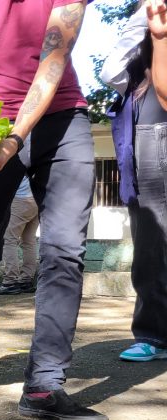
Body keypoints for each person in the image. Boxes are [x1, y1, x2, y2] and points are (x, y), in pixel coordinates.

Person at [0, 0, 109, 420]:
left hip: (62, 120)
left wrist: (14, 141)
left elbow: (53, 62)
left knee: (64, 249)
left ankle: (45, 384)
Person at [103, 1, 167, 362]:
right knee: (149, 241)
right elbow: (111, 71)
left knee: (154, 240)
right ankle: (154, 335)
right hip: (144, 136)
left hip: (157, 133)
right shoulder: (144, 34)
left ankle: (154, 336)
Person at [0, 177, 40, 295]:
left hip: (21, 198)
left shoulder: (13, 157)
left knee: (9, 239)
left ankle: (10, 282)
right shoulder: (36, 157)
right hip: (36, 198)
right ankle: (26, 280)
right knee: (29, 240)